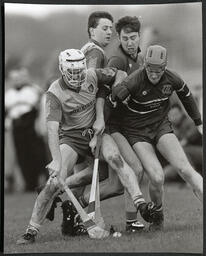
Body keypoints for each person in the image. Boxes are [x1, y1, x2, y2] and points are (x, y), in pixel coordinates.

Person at [16, 49, 155, 245]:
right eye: (72, 72)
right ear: (62, 70)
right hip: (71, 138)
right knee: (53, 183)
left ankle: (141, 204)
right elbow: (53, 131)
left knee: (115, 159)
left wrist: (112, 95)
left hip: (97, 132)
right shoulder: (54, 93)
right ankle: (31, 231)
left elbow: (120, 74)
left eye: (79, 72)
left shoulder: (91, 75)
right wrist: (56, 160)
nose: (77, 76)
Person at [60, 12, 145, 233]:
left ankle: (70, 220)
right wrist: (98, 120)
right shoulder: (96, 53)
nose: (109, 32)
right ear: (91, 30)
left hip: (78, 124)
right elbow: (92, 86)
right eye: (104, 28)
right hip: (89, 126)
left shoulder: (87, 49)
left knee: (97, 176)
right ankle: (57, 191)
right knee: (106, 177)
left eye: (110, 28)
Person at [111, 44, 203, 230]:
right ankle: (158, 214)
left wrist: (198, 122)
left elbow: (187, 97)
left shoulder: (172, 78)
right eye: (151, 70)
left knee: (186, 170)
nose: (154, 75)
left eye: (159, 70)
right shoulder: (134, 81)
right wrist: (115, 95)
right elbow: (113, 100)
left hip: (160, 126)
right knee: (157, 177)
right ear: (145, 65)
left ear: (165, 67)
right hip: (137, 133)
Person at [5, 67, 49, 192]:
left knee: (38, 154)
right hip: (16, 127)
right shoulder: (8, 94)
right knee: (22, 156)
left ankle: (45, 180)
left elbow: (41, 108)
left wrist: (39, 124)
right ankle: (30, 183)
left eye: (21, 77)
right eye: (15, 78)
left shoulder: (35, 90)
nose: (18, 80)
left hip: (31, 125)